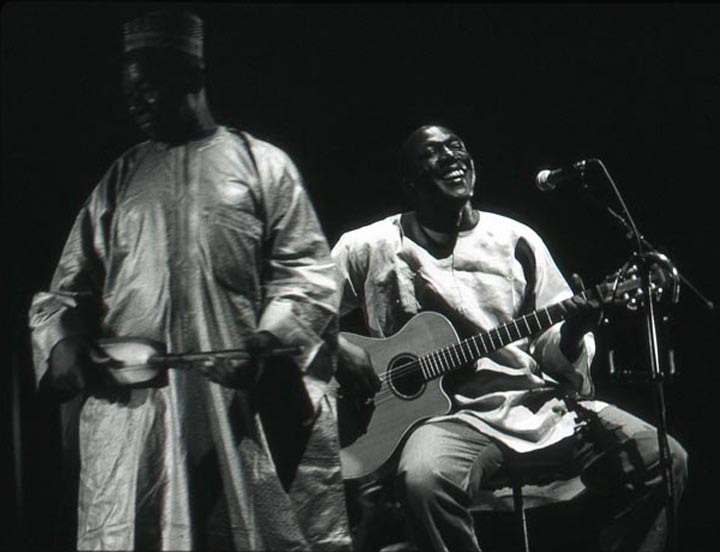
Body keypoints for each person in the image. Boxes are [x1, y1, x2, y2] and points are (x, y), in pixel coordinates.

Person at [28, 10, 351, 551]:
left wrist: (267, 341)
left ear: (192, 76)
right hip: (138, 423)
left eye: (148, 86)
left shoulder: (261, 165)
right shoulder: (123, 177)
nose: (136, 103)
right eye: (129, 91)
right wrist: (63, 340)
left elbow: (309, 274)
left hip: (237, 412)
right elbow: (64, 291)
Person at [331, 125, 688, 552]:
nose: (451, 157)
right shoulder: (367, 245)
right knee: (424, 480)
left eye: (457, 148)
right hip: (448, 421)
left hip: (537, 406)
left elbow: (550, 346)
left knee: (663, 458)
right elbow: (305, 307)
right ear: (410, 182)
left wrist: (574, 329)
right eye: (433, 153)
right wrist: (337, 347)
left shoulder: (515, 239)